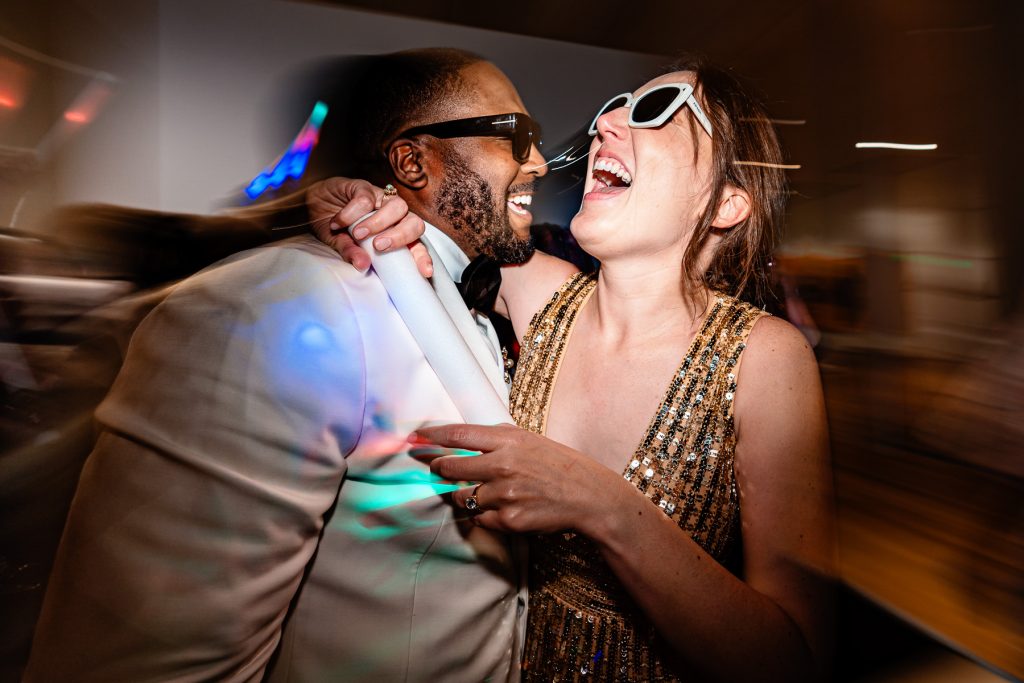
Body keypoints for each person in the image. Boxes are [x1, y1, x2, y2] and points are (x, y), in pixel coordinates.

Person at [24, 48, 553, 682]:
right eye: (516, 137)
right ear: (413, 161)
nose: (541, 163)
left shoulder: (479, 310)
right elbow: (143, 659)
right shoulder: (270, 310)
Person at [312, 57, 834, 681]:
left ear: (723, 202)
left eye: (654, 108)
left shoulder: (765, 358)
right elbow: (434, 214)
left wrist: (602, 506)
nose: (605, 122)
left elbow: (797, 660)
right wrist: (351, 200)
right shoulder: (538, 293)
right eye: (614, 105)